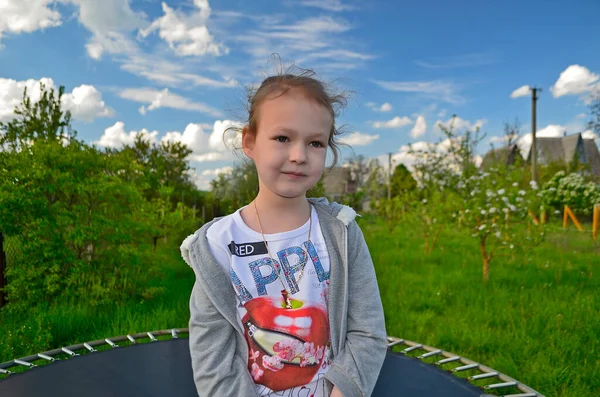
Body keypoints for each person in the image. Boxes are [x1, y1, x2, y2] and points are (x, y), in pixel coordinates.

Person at [180, 67, 387, 397]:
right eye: (282, 138)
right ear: (249, 141)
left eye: (315, 143)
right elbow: (213, 359)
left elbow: (368, 332)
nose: (299, 156)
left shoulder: (341, 233)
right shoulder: (218, 246)